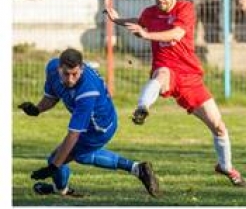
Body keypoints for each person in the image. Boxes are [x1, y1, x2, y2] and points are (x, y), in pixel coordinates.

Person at [106, 0, 246, 186]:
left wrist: (146, 35)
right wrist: (118, 20)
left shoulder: (185, 8)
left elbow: (176, 34)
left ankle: (226, 166)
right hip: (167, 69)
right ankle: (142, 108)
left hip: (190, 77)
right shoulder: (149, 13)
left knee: (218, 126)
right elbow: (140, 23)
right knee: (161, 74)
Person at [18, 48, 159, 198]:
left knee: (57, 159)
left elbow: (73, 135)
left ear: (82, 69)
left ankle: (62, 191)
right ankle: (138, 169)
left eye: (75, 74)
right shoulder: (52, 69)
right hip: (99, 121)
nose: (71, 79)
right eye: (66, 74)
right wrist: (37, 109)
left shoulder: (87, 91)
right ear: (59, 68)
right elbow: (53, 95)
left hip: (99, 128)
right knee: (82, 155)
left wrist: (53, 167)